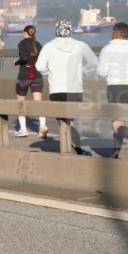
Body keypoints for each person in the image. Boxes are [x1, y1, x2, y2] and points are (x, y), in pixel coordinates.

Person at [35, 20, 98, 155]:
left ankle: (70, 150)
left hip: (57, 90)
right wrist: (83, 72)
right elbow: (93, 62)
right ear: (70, 30)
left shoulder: (49, 46)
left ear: (56, 31)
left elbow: (39, 66)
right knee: (70, 121)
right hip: (75, 90)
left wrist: (49, 72)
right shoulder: (80, 45)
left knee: (63, 121)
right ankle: (74, 148)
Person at [96, 21, 128, 159]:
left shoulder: (107, 49)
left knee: (117, 121)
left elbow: (102, 72)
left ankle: (116, 151)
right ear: (127, 34)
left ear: (114, 33)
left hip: (115, 87)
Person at [14, 25, 48, 138]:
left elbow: (24, 58)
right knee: (38, 103)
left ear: (25, 33)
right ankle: (42, 127)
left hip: (25, 75)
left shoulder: (22, 43)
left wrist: (17, 62)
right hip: (37, 75)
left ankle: (23, 129)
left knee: (21, 103)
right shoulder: (38, 44)